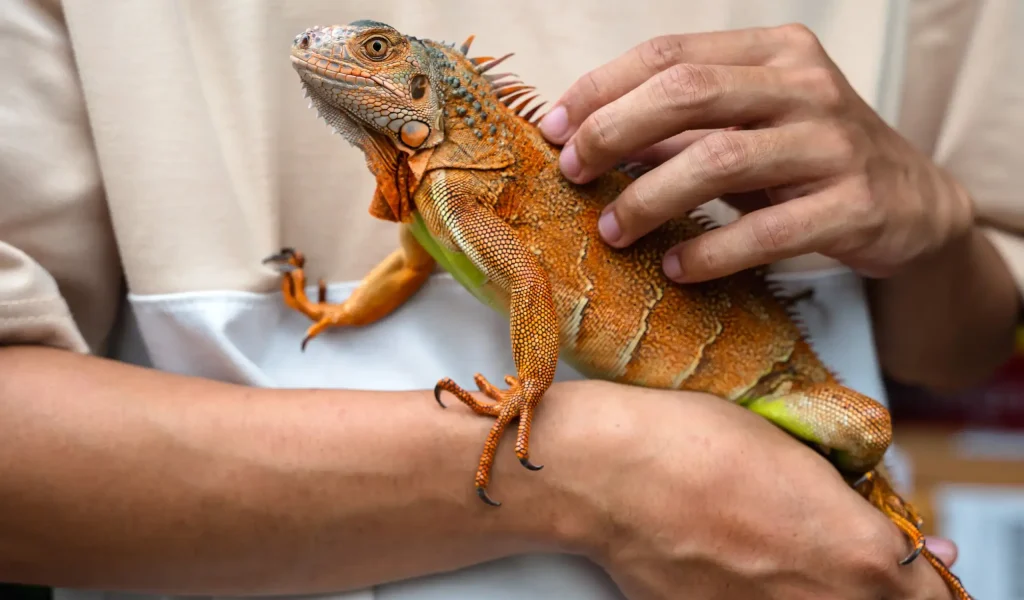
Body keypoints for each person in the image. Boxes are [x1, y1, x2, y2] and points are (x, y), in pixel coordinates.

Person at [0, 1, 1019, 599]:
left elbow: (962, 349)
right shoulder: (446, 192)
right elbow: (422, 264)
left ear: (428, 91)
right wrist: (580, 466)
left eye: (372, 51)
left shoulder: (465, 187)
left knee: (865, 425)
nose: (328, 51)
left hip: (782, 430)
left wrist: (934, 220)